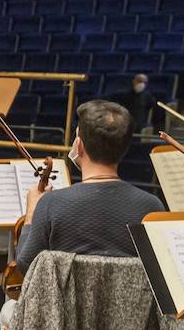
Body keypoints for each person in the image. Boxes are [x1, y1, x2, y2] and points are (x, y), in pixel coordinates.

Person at [15, 99, 164, 274]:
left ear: (79, 146)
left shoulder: (50, 204)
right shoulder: (152, 207)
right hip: (129, 302)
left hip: (62, 303)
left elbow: (27, 265)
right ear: (125, 147)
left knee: (9, 304)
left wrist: (32, 211)